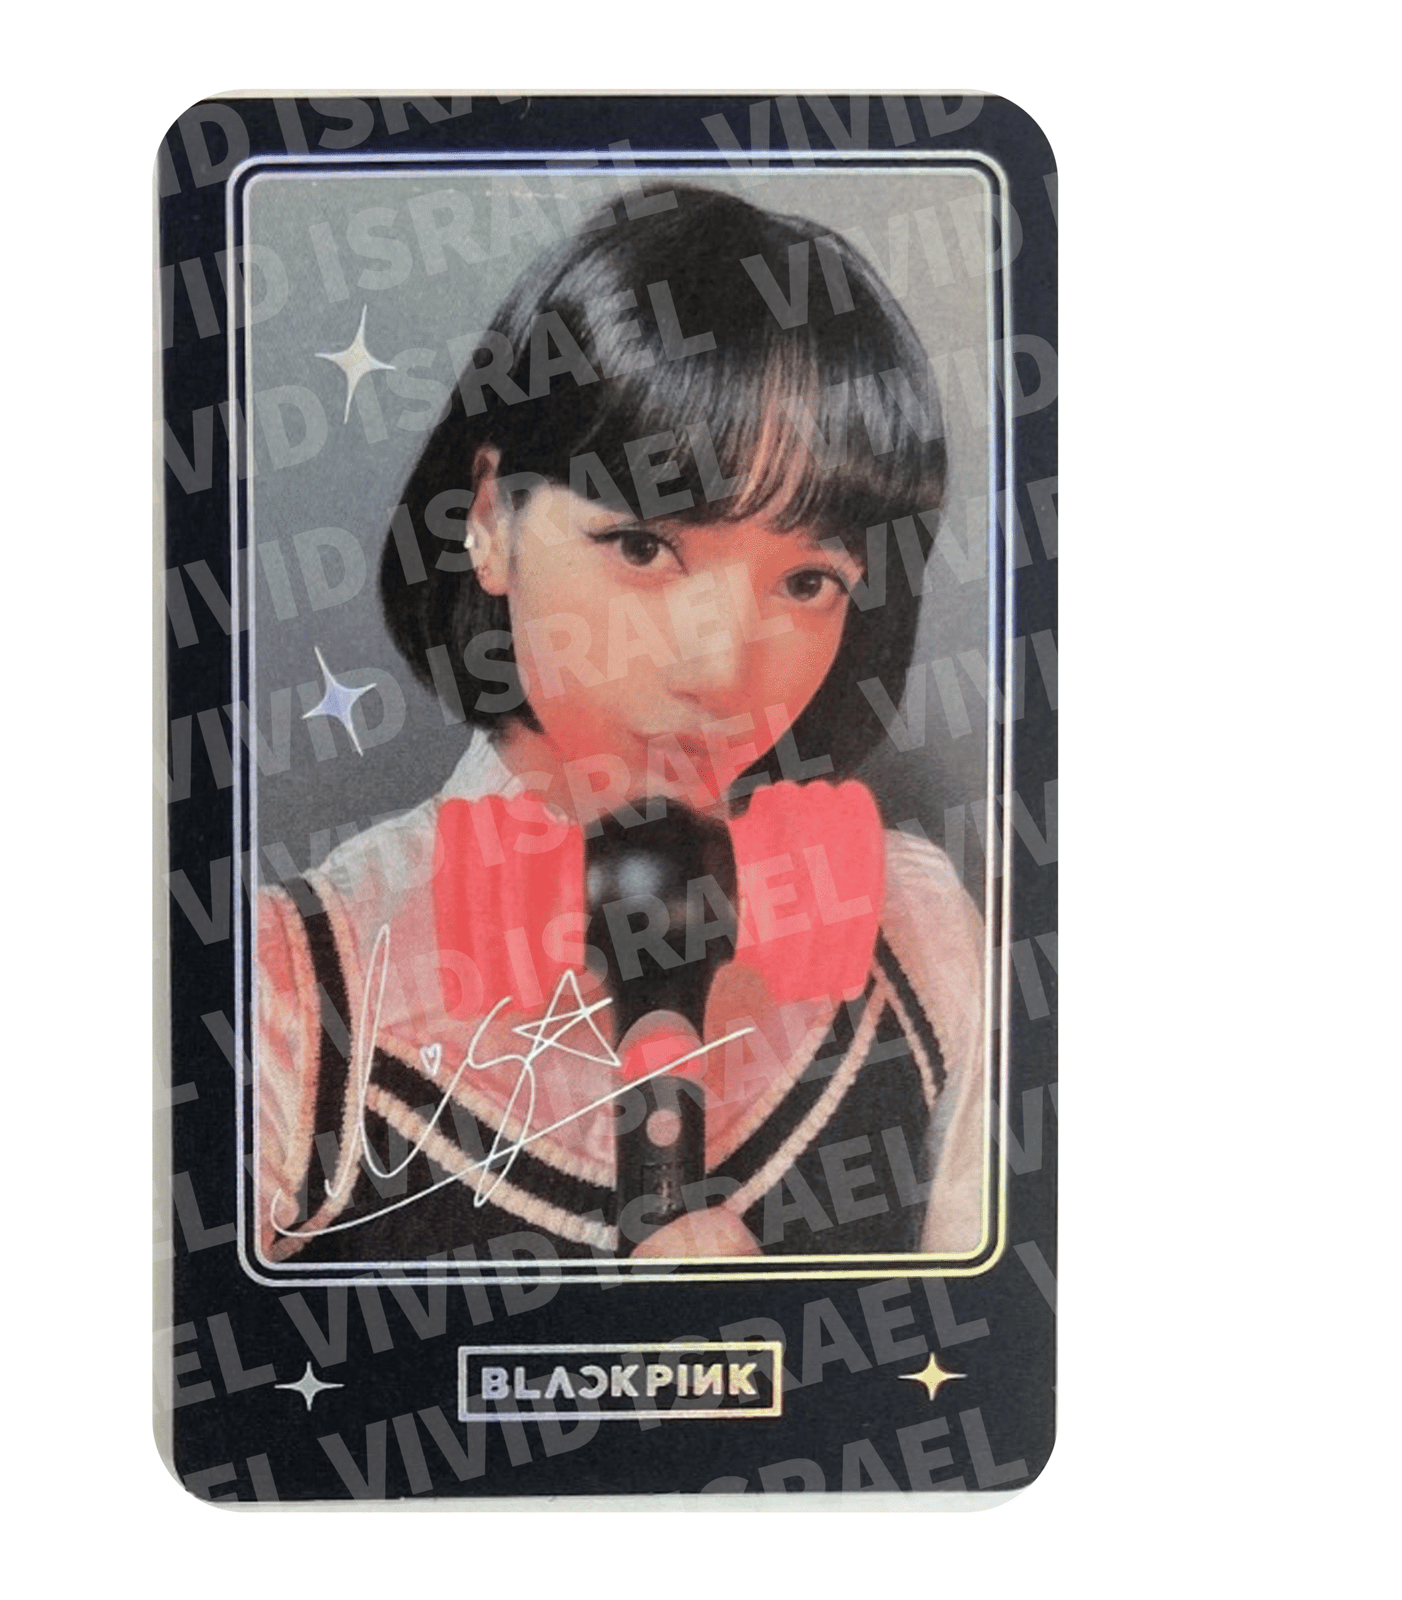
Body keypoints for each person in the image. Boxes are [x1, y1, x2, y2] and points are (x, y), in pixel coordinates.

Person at [254, 185, 986, 1267]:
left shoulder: (914, 936)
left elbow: (987, 1353)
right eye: (644, 547)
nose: (720, 672)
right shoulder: (295, 993)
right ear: (488, 517)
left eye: (806, 583)